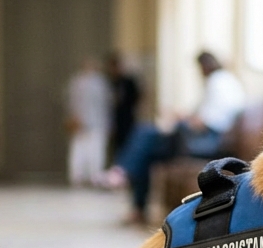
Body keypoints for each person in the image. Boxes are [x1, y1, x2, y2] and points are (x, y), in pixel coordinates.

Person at [105, 50, 246, 224]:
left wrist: (179, 118)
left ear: (205, 66)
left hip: (203, 142)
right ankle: (135, 203)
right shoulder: (223, 82)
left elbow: (204, 122)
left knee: (145, 132)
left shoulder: (219, 82)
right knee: (147, 153)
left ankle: (123, 171)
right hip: (200, 138)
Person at [65, 58, 111, 188]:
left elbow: (104, 104)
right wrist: (75, 118)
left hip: (98, 122)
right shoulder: (77, 82)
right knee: (79, 151)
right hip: (81, 122)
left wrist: (108, 123)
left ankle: (94, 177)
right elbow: (72, 103)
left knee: (95, 151)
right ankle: (78, 177)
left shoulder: (100, 82)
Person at [106, 51, 143, 165]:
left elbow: (138, 98)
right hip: (113, 118)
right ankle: (117, 167)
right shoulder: (109, 82)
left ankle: (125, 168)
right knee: (116, 145)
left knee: (128, 143)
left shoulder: (128, 81)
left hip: (127, 117)